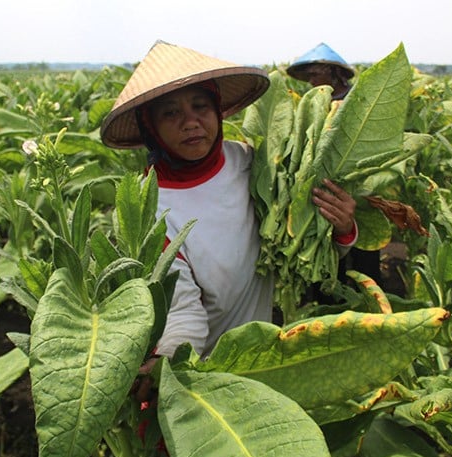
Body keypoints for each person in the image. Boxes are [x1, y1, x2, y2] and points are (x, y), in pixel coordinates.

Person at [100, 41, 358, 372]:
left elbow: (303, 241)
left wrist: (341, 228)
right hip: (200, 370)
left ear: (218, 111)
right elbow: (180, 309)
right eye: (171, 113)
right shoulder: (148, 207)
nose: (191, 122)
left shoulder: (254, 164)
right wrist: (169, 364)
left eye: (200, 107)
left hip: (264, 355)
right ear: (150, 126)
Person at [286, 43, 383, 288]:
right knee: (331, 258)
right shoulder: (315, 103)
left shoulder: (356, 101)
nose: (310, 82)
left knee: (365, 260)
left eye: (314, 75)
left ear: (331, 72)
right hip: (325, 192)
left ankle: (371, 307)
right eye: (307, 76)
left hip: (359, 189)